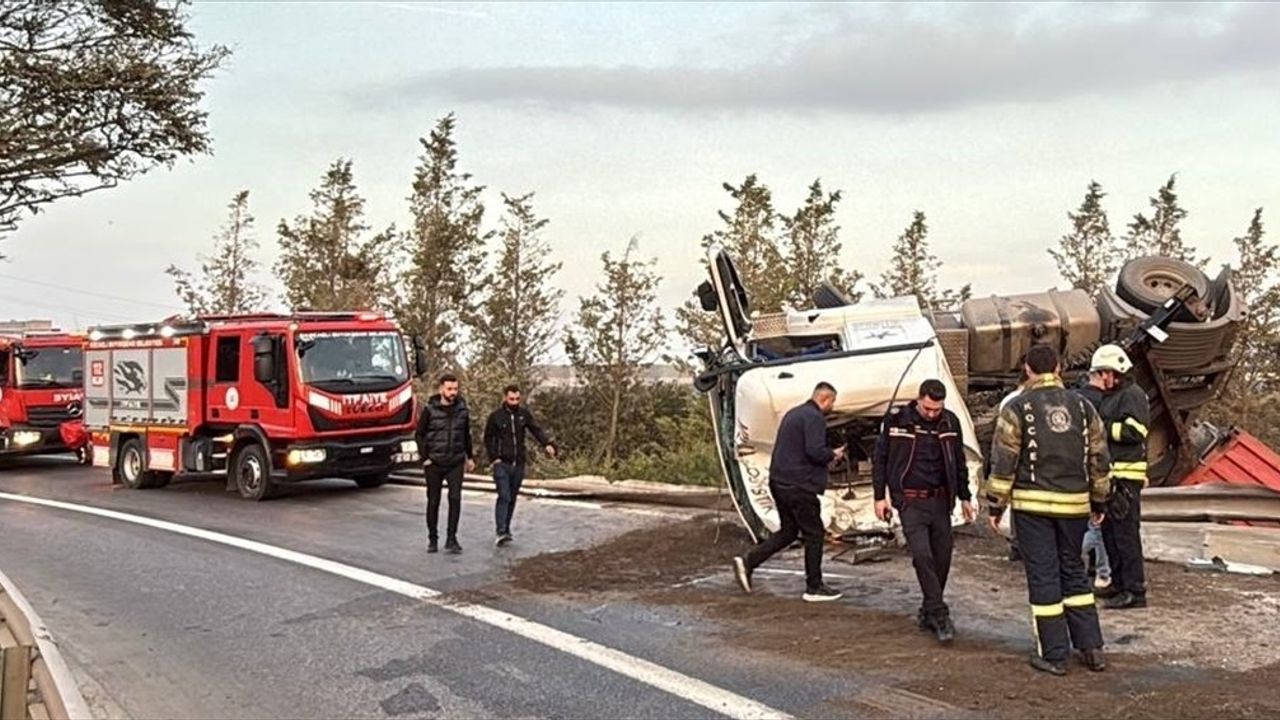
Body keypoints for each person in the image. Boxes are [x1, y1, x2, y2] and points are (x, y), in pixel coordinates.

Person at [986, 345, 1112, 675]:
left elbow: (1004, 462)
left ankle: (1054, 654)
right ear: (1057, 368)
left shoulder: (1016, 408)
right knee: (1073, 570)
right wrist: (1100, 500)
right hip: (1074, 507)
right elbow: (1099, 459)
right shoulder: (1084, 407)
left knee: (1044, 575)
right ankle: (1092, 648)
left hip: (1033, 508)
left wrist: (995, 505)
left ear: (1027, 369)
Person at [873, 379, 975, 644]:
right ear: (919, 399)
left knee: (942, 558)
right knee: (922, 555)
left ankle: (929, 608)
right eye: (927, 408)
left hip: (941, 501)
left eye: (936, 409)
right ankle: (940, 615)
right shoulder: (896, 422)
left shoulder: (950, 422)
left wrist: (965, 497)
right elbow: (881, 459)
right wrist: (879, 497)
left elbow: (959, 462)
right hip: (910, 501)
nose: (932, 413)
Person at [732, 382, 846, 602]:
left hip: (780, 482)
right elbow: (814, 451)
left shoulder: (794, 414)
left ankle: (749, 561)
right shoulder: (814, 418)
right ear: (825, 399)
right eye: (832, 402)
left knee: (789, 532)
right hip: (799, 485)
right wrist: (833, 454)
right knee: (815, 533)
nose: (832, 406)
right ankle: (814, 587)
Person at [1076, 344, 1150, 609]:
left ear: (1113, 371)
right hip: (1110, 476)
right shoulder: (1115, 395)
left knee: (1126, 535)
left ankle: (1134, 590)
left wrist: (1102, 429)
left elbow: (1136, 431)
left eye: (1102, 373)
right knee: (1110, 534)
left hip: (1125, 478)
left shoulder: (1132, 394)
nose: (1101, 378)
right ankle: (1118, 584)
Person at [484, 384, 556, 547]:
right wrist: (494, 457)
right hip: (502, 463)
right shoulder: (496, 416)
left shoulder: (524, 415)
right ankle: (500, 530)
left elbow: (536, 430)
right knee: (504, 495)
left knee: (512, 497)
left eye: (517, 399)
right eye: (511, 399)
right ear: (505, 398)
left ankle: (506, 529)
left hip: (518, 463)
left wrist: (547, 444)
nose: (514, 402)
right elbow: (488, 438)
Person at [415, 373, 476, 554]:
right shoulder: (429, 409)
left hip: (455, 462)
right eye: (449, 389)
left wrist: (469, 457)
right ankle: (433, 539)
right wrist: (424, 457)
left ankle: (452, 538)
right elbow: (419, 434)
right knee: (433, 501)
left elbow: (466, 435)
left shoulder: (462, 410)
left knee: (455, 499)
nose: (453, 393)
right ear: (441, 389)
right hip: (434, 462)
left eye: (455, 389)